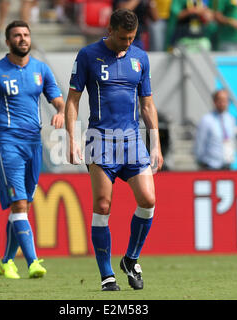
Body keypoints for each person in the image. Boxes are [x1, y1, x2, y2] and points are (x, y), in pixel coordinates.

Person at [65, 8, 163, 291]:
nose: (127, 43)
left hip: (132, 140)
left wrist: (154, 144)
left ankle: (131, 259)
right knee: (103, 205)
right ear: (110, 31)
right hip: (100, 140)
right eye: (123, 38)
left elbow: (147, 104)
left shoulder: (140, 57)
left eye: (132, 38)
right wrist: (71, 138)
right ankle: (107, 275)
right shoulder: (87, 56)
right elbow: (73, 100)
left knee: (147, 200)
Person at [0, 20, 65, 279]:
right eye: (17, 35)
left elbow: (57, 98)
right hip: (8, 143)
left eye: (26, 34)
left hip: (34, 144)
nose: (22, 39)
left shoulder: (41, 69)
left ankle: (6, 261)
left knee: (23, 207)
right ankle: (33, 262)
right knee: (19, 203)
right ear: (7, 41)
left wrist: (60, 110)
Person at [194, 89, 236, 170]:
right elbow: (200, 142)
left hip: (226, 164)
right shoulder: (207, 120)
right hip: (210, 165)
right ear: (215, 101)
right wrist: (201, 161)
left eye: (225, 100)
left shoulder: (230, 119)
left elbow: (231, 139)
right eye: (220, 100)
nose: (223, 103)